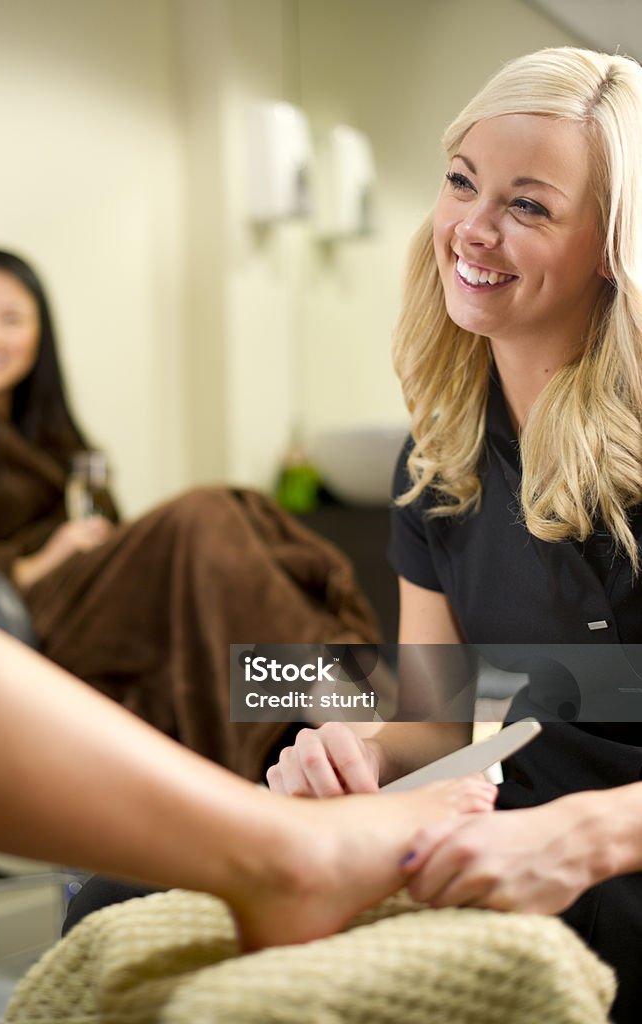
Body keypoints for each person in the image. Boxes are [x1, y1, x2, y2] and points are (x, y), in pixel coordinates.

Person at [0, 492, 496, 1018]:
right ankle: (302, 825)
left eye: (12, 318)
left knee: (235, 546)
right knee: (205, 528)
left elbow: (449, 716)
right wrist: (43, 558)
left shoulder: (52, 443)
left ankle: (346, 748)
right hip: (29, 605)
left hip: (102, 595)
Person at [267, 46, 642, 1023]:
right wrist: (350, 753)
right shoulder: (439, 462)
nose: (471, 230)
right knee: (119, 899)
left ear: (611, 246)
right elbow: (437, 721)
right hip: (514, 842)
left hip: (613, 865)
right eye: (461, 182)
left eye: (528, 205)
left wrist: (590, 835)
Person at [0, 248, 379, 784]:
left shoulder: (54, 439)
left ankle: (386, 719)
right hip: (25, 623)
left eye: (10, 319)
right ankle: (364, 725)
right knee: (204, 516)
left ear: (39, 336)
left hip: (96, 609)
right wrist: (31, 564)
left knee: (249, 529)